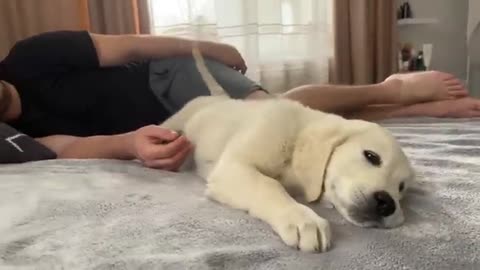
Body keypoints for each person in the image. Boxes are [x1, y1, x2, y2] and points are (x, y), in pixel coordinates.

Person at [0, 30, 478, 171]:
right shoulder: (8, 139)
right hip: (176, 121)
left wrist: (207, 50)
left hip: (168, 78)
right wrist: (130, 143)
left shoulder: (29, 56)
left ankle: (389, 90)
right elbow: (62, 148)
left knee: (272, 112)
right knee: (279, 126)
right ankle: (408, 110)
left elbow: (131, 46)